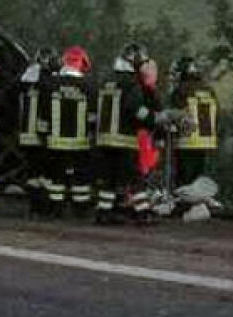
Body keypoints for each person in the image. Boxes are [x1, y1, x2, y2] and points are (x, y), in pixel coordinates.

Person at [94, 43, 160, 225]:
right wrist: (154, 118)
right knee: (135, 178)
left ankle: (103, 213)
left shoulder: (106, 81)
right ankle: (143, 213)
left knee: (109, 179)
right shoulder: (132, 83)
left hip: (104, 139)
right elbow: (135, 109)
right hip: (124, 140)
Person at [46, 46, 95, 218]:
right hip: (80, 143)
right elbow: (93, 115)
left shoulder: (51, 84)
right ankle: (80, 209)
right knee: (80, 177)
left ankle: (55, 208)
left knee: (56, 176)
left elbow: (43, 112)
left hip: (55, 141)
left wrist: (44, 133)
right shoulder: (88, 86)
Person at [168, 57, 219, 187]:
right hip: (205, 143)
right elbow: (217, 115)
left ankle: (183, 205)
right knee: (198, 180)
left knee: (184, 181)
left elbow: (174, 116)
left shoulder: (180, 91)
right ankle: (197, 205)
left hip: (186, 142)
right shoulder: (208, 90)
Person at [19, 47, 55, 217]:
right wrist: (45, 131)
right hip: (41, 135)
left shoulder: (25, 80)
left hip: (25, 134)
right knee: (45, 173)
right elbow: (46, 109)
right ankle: (44, 207)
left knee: (32, 172)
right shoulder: (47, 82)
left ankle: (33, 207)